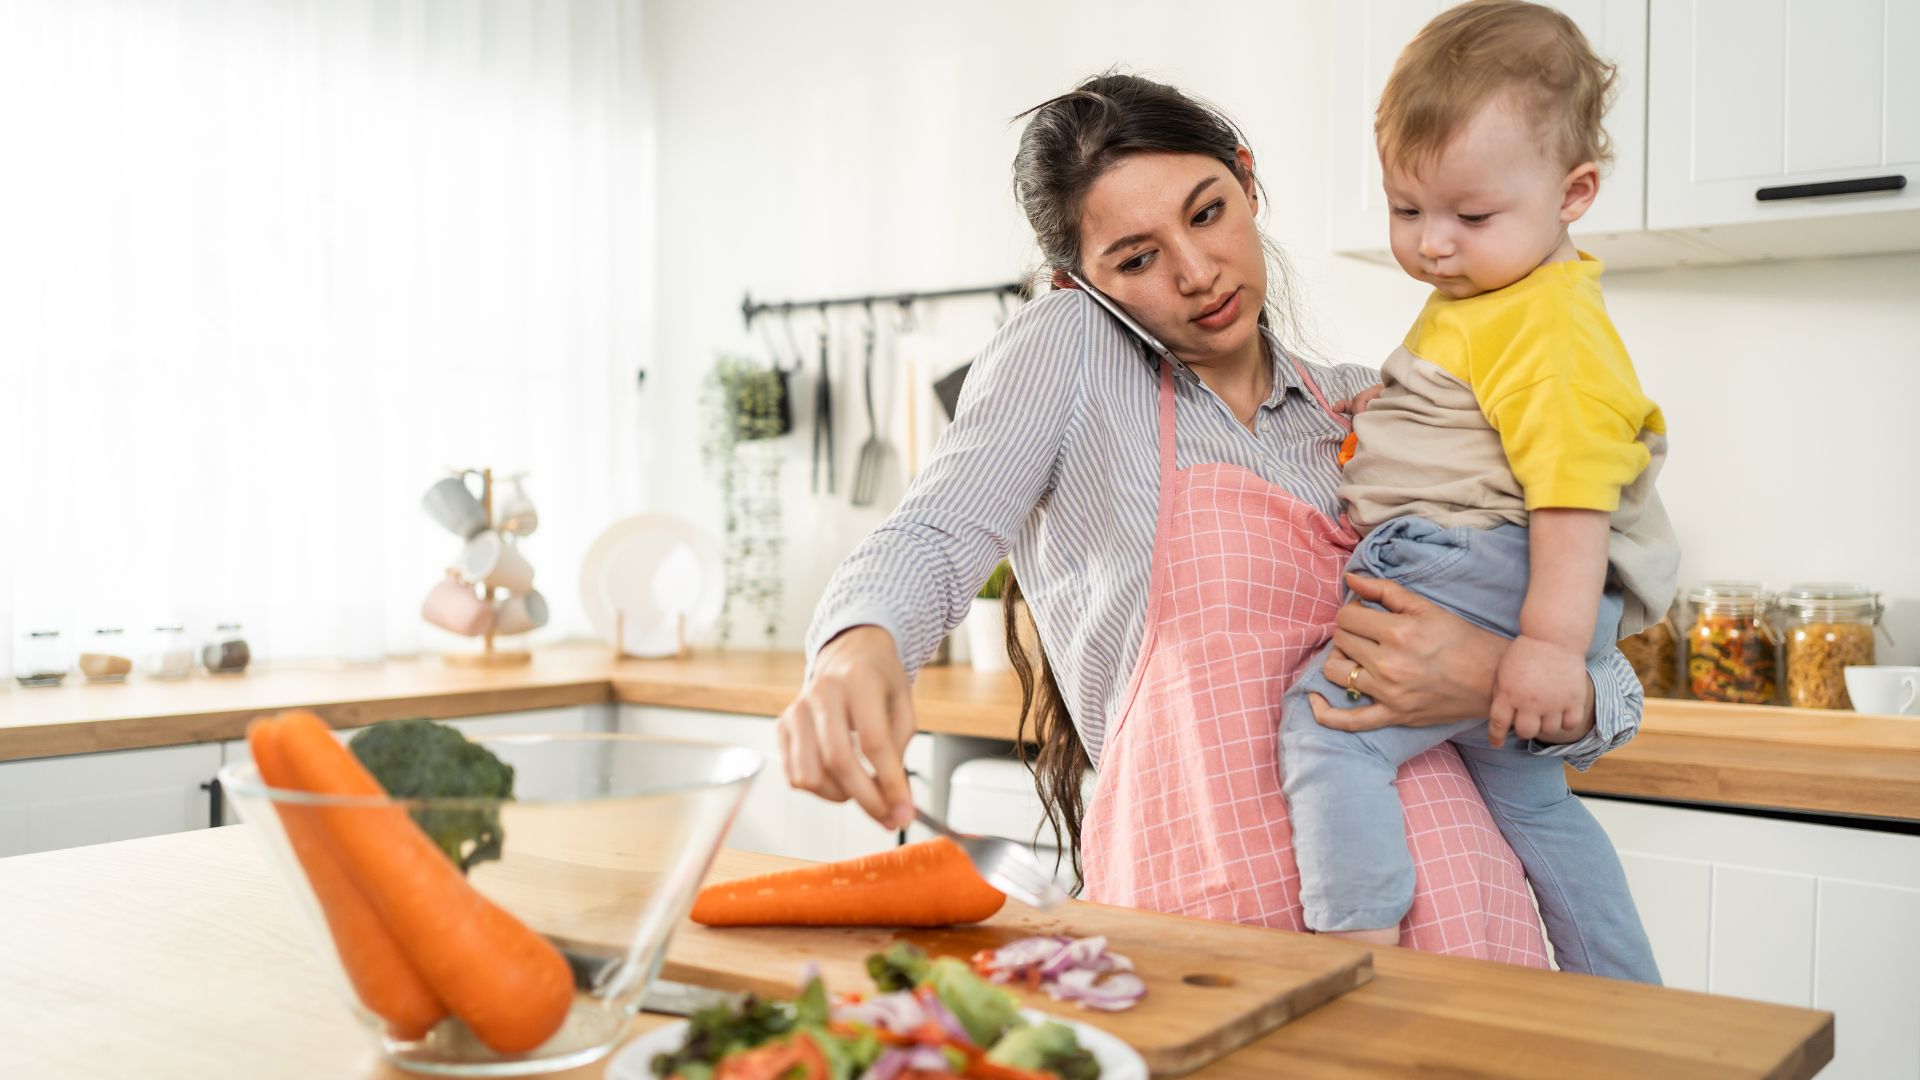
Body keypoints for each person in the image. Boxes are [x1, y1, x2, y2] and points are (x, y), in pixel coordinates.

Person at [779, 69, 1647, 965]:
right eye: (1136, 258)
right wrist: (856, 642)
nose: (1197, 273)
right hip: (1212, 934)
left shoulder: (1370, 408)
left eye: (1206, 213)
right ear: (1077, 280)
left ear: (1247, 180)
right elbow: (934, 531)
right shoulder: (1071, 350)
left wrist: (1502, 678)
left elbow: (1608, 683)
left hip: (1468, 925)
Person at [1277, 1, 1674, 984]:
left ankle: (1354, 960)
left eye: (1470, 215)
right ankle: (1629, 1006)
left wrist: (1544, 649)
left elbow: (1572, 501)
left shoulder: (1548, 325)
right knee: (1539, 809)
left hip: (1479, 568)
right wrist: (1397, 409)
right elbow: (1480, 422)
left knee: (1326, 731)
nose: (1433, 244)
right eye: (1406, 210)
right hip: (1487, 567)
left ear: (1574, 191)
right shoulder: (1493, 300)